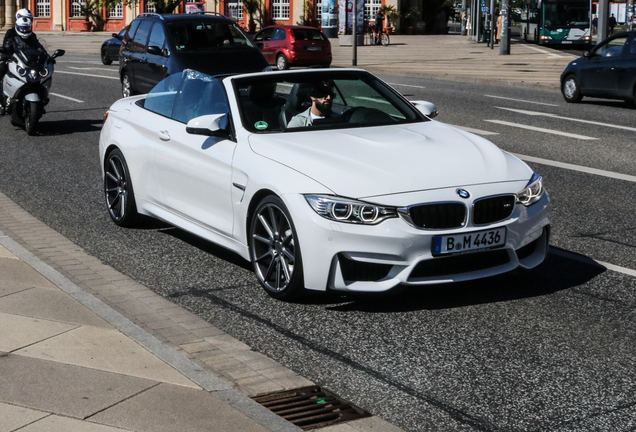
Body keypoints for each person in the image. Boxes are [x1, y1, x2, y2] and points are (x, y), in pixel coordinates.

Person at [1, 9, 45, 114]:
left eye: (30, 19)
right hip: (12, 60)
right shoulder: (10, 32)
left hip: (27, 62)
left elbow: (38, 47)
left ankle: (41, 101)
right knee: (1, 71)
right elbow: (5, 47)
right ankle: (1, 102)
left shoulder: (32, 35)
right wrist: (6, 54)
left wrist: (45, 56)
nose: (28, 20)